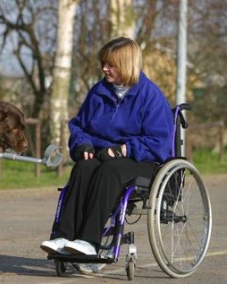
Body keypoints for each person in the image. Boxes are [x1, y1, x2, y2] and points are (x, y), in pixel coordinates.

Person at [40, 37, 174, 256]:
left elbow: (158, 142)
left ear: (126, 65)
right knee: (83, 167)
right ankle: (63, 237)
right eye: (104, 63)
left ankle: (89, 241)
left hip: (142, 161)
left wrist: (123, 149)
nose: (104, 68)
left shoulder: (150, 96)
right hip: (103, 155)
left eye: (110, 65)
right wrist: (82, 143)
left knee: (109, 171)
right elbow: (78, 126)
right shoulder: (98, 92)